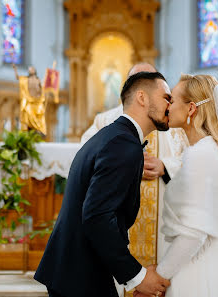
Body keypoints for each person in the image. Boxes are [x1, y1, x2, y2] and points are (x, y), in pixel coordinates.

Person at [34, 71, 172, 297]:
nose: (170, 105)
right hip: (82, 277)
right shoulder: (122, 144)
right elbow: (97, 217)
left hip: (77, 270)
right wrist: (138, 277)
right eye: (166, 97)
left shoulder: (113, 136)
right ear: (142, 98)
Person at [135, 74, 218, 297]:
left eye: (173, 101)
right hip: (202, 263)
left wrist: (159, 276)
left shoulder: (202, 155)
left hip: (197, 272)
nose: (167, 107)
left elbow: (193, 233)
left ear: (191, 109)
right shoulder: (205, 151)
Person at [81, 63, 189, 267]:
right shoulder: (105, 121)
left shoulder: (171, 122)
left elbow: (192, 159)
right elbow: (84, 161)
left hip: (162, 215)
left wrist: (165, 166)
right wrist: (126, 168)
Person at [13, 64, 47, 135]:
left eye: (32, 69)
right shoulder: (26, 80)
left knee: (39, 115)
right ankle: (28, 129)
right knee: (27, 114)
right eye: (29, 69)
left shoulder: (38, 80)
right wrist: (15, 69)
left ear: (35, 71)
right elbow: (17, 77)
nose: (30, 70)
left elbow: (42, 90)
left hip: (37, 102)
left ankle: (38, 130)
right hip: (29, 101)